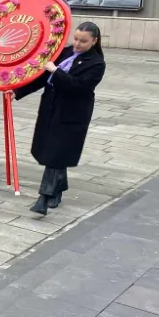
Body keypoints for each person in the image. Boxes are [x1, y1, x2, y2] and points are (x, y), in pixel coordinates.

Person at [16, 22, 106, 216]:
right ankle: (58, 188)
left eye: (83, 41)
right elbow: (41, 78)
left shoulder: (96, 63)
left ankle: (44, 198)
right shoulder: (64, 52)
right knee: (54, 151)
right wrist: (17, 91)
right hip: (51, 108)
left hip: (72, 113)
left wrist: (56, 71)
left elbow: (77, 86)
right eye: (76, 38)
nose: (78, 44)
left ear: (94, 41)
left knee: (56, 153)